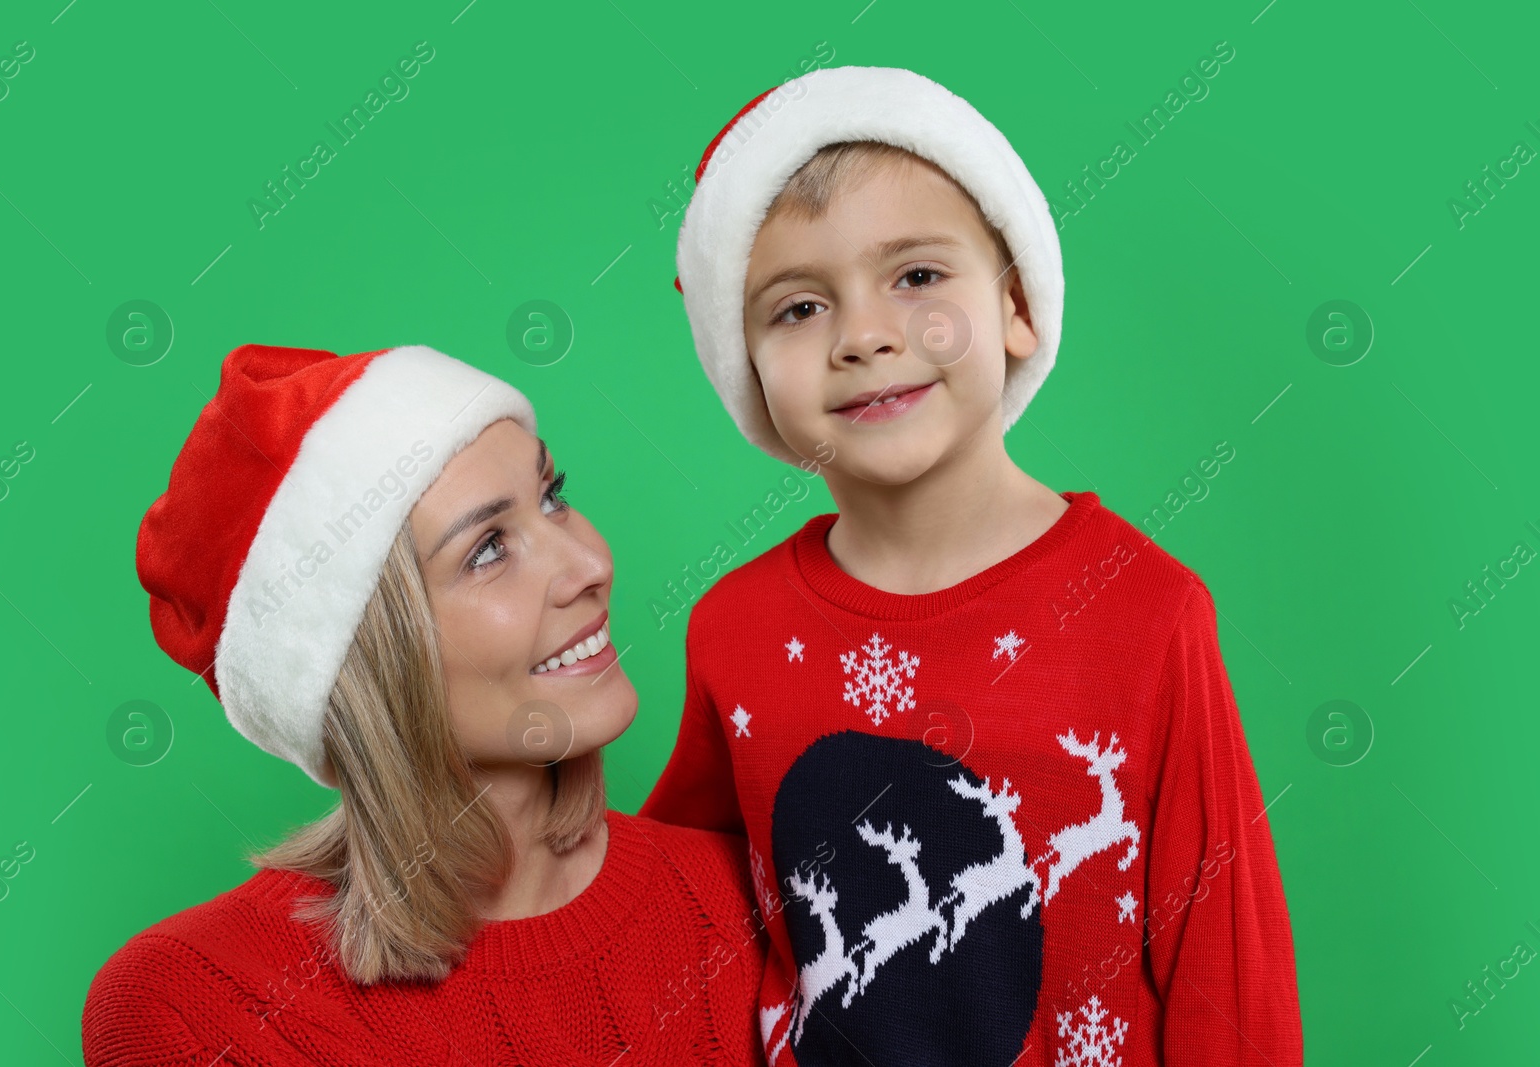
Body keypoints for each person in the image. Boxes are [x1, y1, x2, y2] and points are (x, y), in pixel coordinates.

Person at [640, 66, 1302, 1065]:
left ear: (1018, 309)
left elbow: (1226, 962)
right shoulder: (732, 631)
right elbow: (672, 916)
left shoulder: (1145, 611)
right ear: (748, 379)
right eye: (797, 307)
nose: (864, 335)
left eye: (915, 276)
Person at [82, 343, 767, 1066]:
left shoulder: (757, 900)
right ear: (373, 662)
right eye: (487, 549)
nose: (591, 565)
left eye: (553, 496)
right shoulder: (196, 1005)